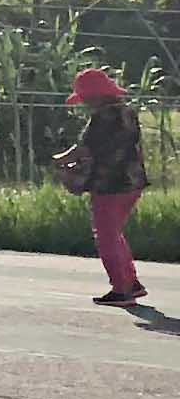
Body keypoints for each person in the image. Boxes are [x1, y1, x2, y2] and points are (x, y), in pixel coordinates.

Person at [55, 67, 149, 307]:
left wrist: (61, 160)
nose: (84, 103)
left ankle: (122, 290)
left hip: (110, 183)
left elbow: (84, 149)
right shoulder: (127, 112)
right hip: (133, 180)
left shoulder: (103, 117)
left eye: (85, 97)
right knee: (114, 233)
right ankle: (131, 283)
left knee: (106, 236)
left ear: (95, 95)